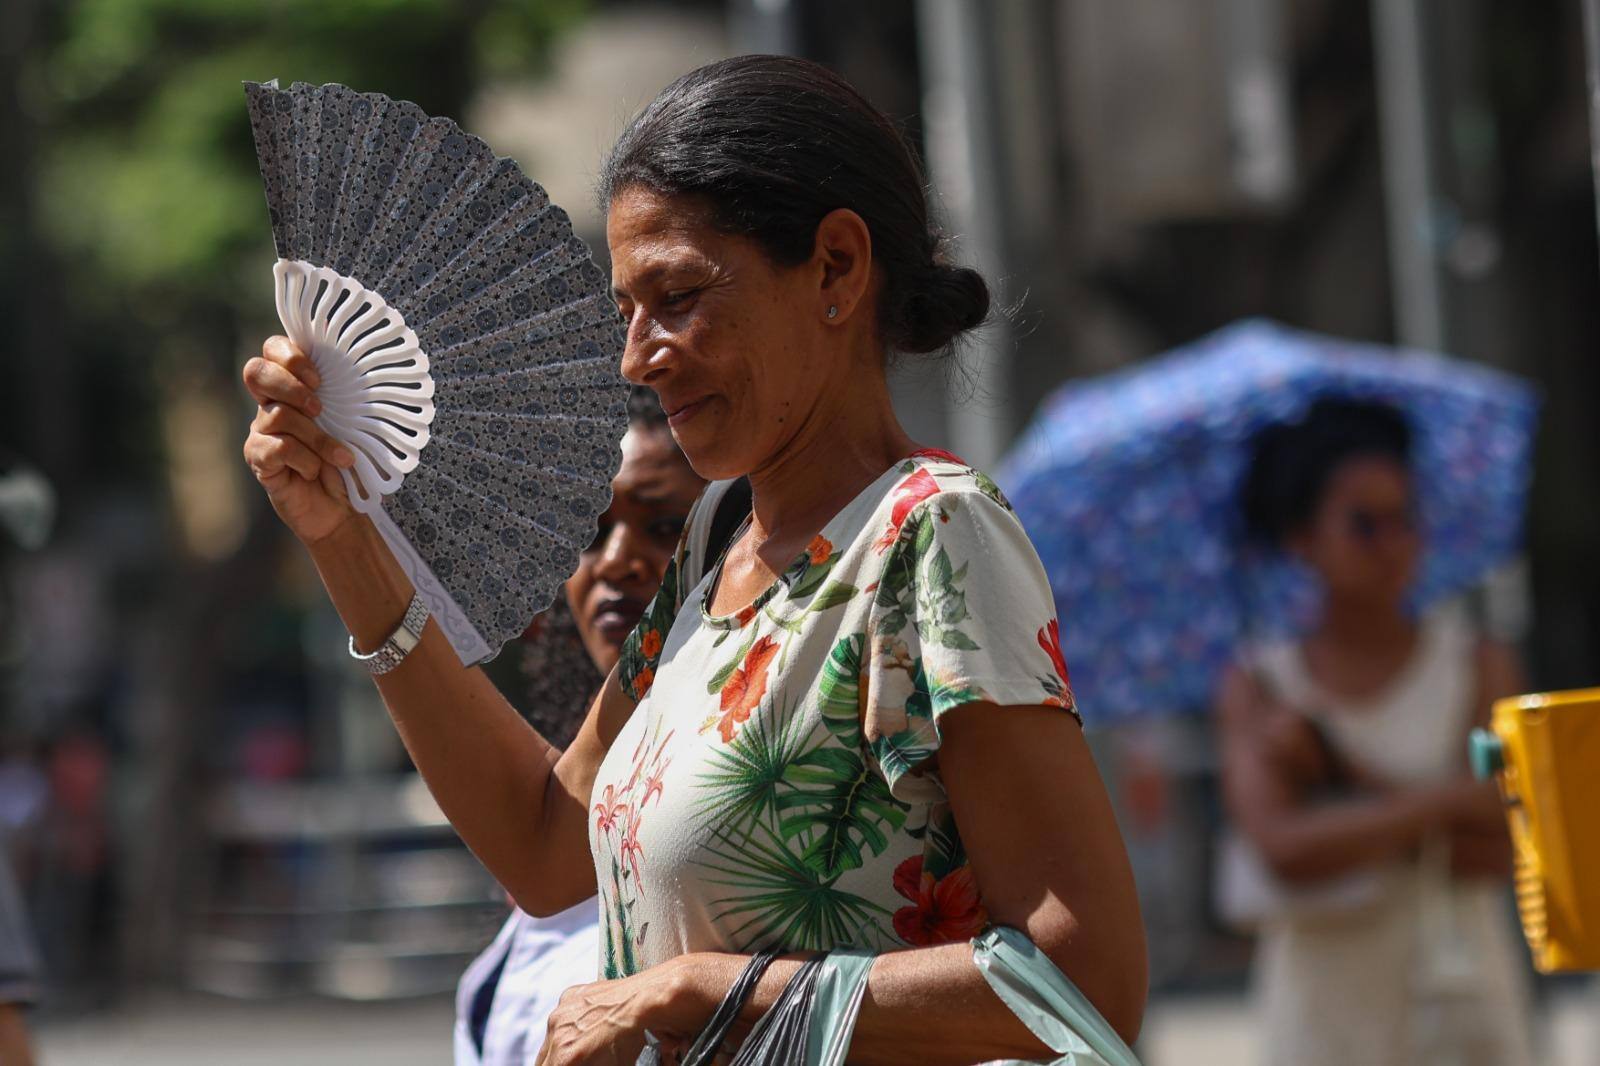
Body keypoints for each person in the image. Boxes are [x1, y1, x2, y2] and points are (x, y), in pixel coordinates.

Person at [242, 54, 1147, 1063]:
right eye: (626, 310)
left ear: (836, 267)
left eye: (676, 295)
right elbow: (547, 844)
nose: (637, 355)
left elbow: (1082, 976)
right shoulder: (717, 547)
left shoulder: (931, 538)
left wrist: (693, 991)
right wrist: (343, 537)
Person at [1218, 398, 1534, 1066]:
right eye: (1365, 524)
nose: (1392, 545)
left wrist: (1341, 777)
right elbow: (1283, 849)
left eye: (1405, 520)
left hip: (1463, 1007)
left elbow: (1505, 846)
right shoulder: (1259, 684)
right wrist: (1451, 802)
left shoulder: (1478, 662)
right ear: (1303, 536)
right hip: (1319, 1019)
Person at [455, 387, 706, 1065]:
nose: (616, 560)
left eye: (663, 527)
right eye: (590, 532)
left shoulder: (743, 797)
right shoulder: (565, 803)